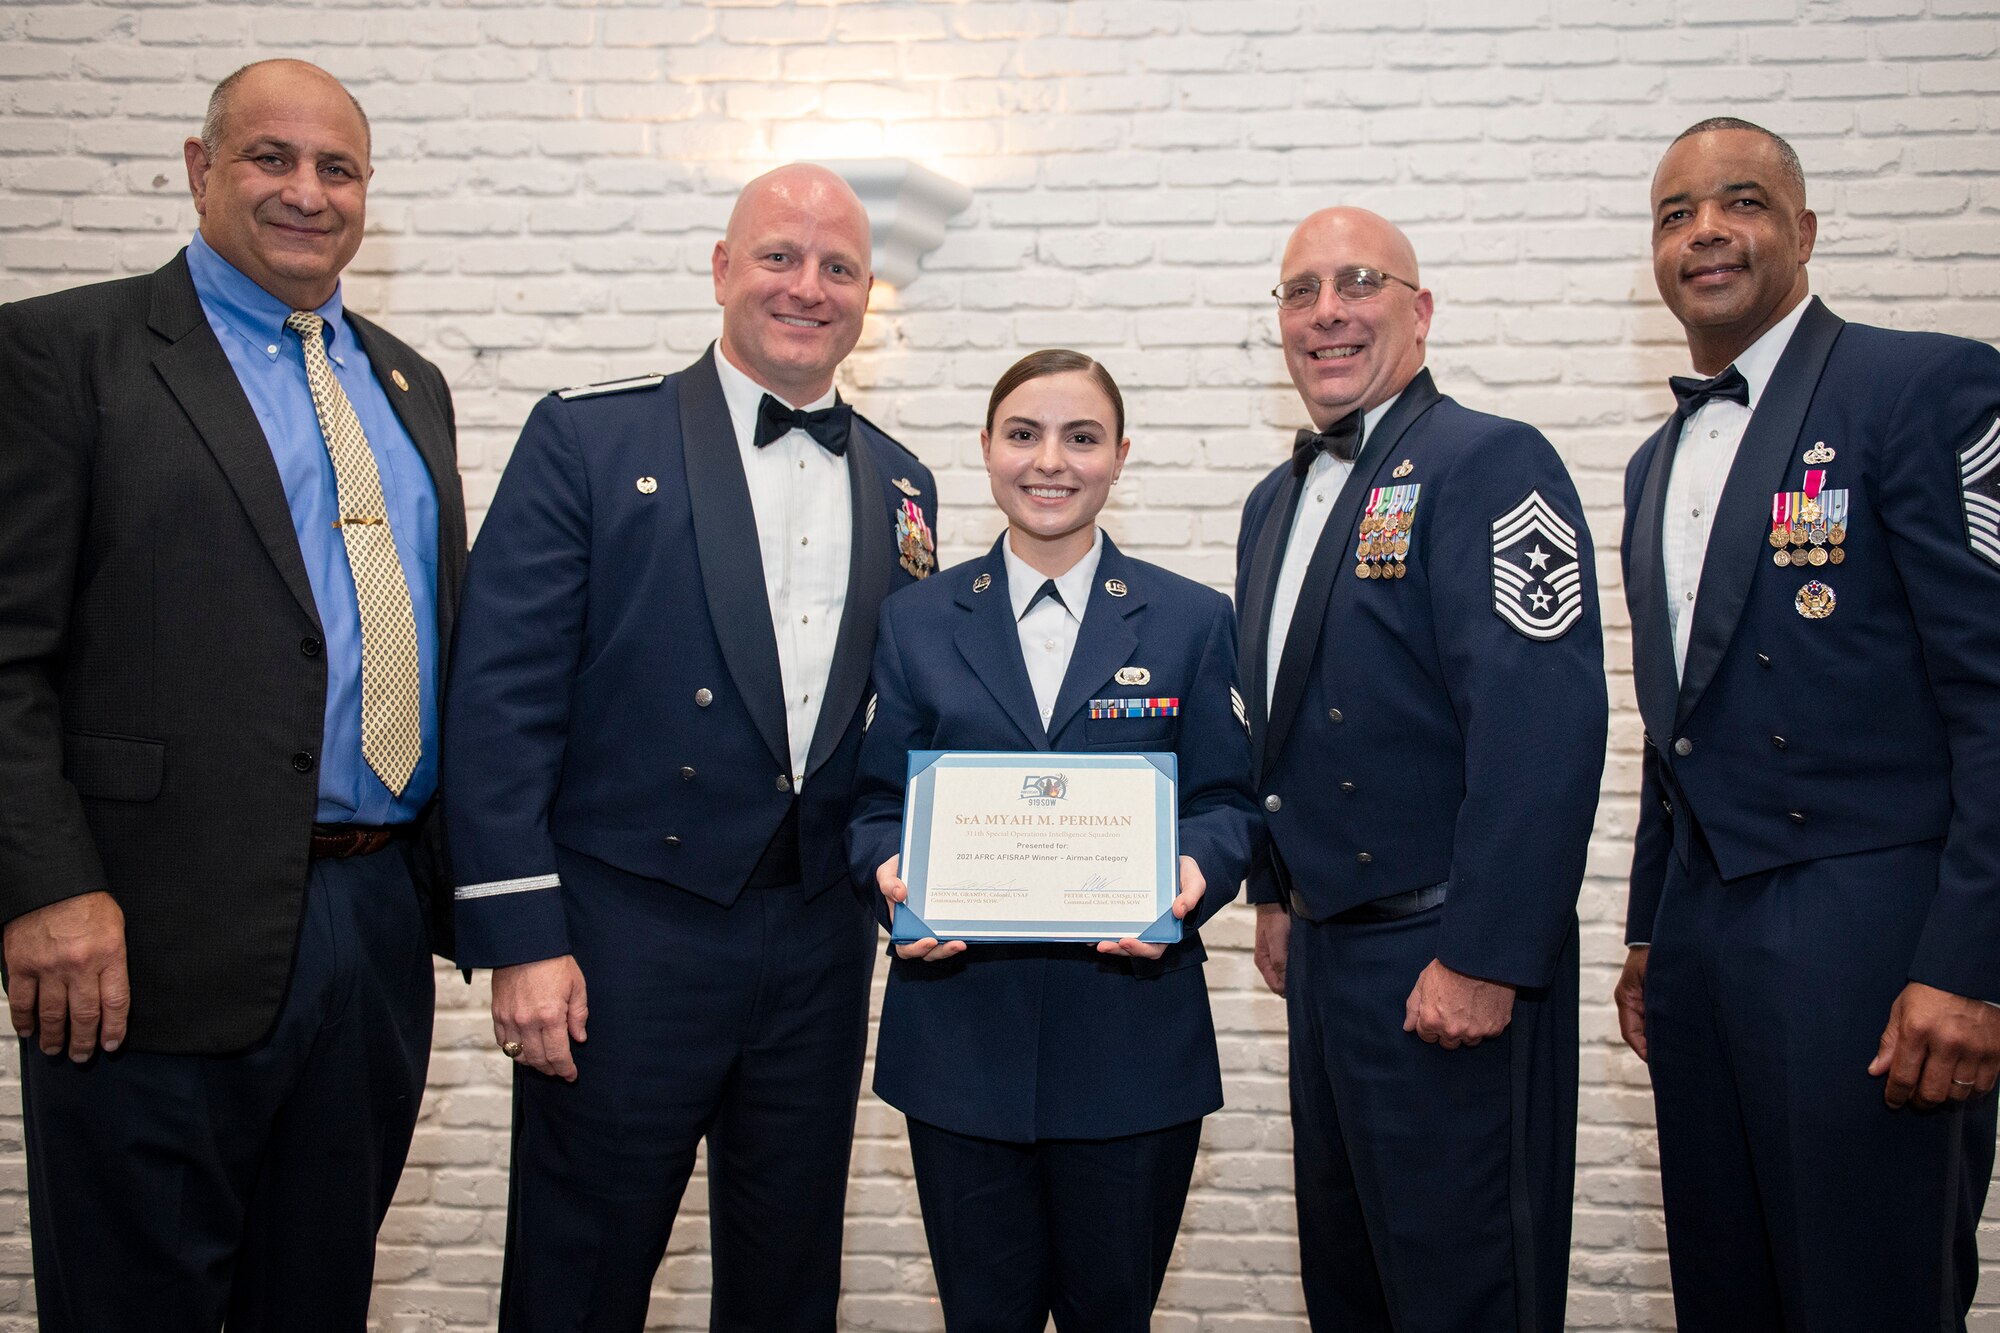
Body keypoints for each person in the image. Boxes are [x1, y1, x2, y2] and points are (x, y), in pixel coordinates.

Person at [0, 60, 464, 1330]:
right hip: (143, 930)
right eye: (271, 159)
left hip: (372, 924)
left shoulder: (412, 385)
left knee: (316, 1298)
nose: (306, 192)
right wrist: (43, 885)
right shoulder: (62, 354)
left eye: (337, 169)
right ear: (200, 168)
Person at [444, 163, 938, 1330]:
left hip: (817, 940)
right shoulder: (588, 437)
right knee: (581, 1275)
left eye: (837, 267)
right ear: (722, 270)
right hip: (624, 937)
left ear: (866, 293)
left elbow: (904, 711)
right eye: (778, 256)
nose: (806, 286)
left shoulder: (901, 480)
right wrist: (520, 936)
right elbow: (499, 697)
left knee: (785, 1279)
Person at [1612, 116, 2000, 1330]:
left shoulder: (1920, 386)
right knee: (1725, 1293)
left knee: (1865, 1294)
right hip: (1701, 940)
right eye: (1675, 214)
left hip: (1868, 941)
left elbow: (1991, 691)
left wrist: (1967, 964)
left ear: (1804, 231)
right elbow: (1672, 723)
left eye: (1739, 204)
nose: (1705, 232)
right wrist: (1642, 933)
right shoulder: (1649, 460)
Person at [1235, 208, 1606, 1331]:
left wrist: (1484, 954)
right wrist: (1273, 890)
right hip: (1329, 958)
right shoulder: (1269, 502)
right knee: (1347, 1284)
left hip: (1444, 957)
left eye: (1356, 282)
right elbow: (1277, 718)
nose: (1326, 311)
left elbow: (1539, 728)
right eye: (1298, 292)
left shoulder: (1487, 460)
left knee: (1464, 1289)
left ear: (1419, 308)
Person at [848, 349, 1260, 1332]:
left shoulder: (1191, 621)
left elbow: (1228, 801)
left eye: (1080, 437)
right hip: (959, 1047)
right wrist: (892, 879)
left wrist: (1190, 874)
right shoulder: (911, 621)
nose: (1050, 461)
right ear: (985, 450)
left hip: (1130, 1048)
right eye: (1023, 434)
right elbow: (870, 808)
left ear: (1119, 455)